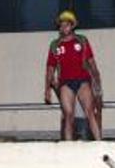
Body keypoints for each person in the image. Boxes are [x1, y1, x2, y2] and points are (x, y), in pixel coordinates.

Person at [44, 10, 103, 141]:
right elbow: (50, 69)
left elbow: (92, 63)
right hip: (65, 83)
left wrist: (97, 81)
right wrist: (47, 90)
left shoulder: (82, 40)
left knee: (90, 113)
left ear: (72, 26)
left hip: (83, 81)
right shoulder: (55, 45)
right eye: (61, 25)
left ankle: (100, 142)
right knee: (68, 114)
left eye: (66, 25)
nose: (63, 27)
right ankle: (68, 147)